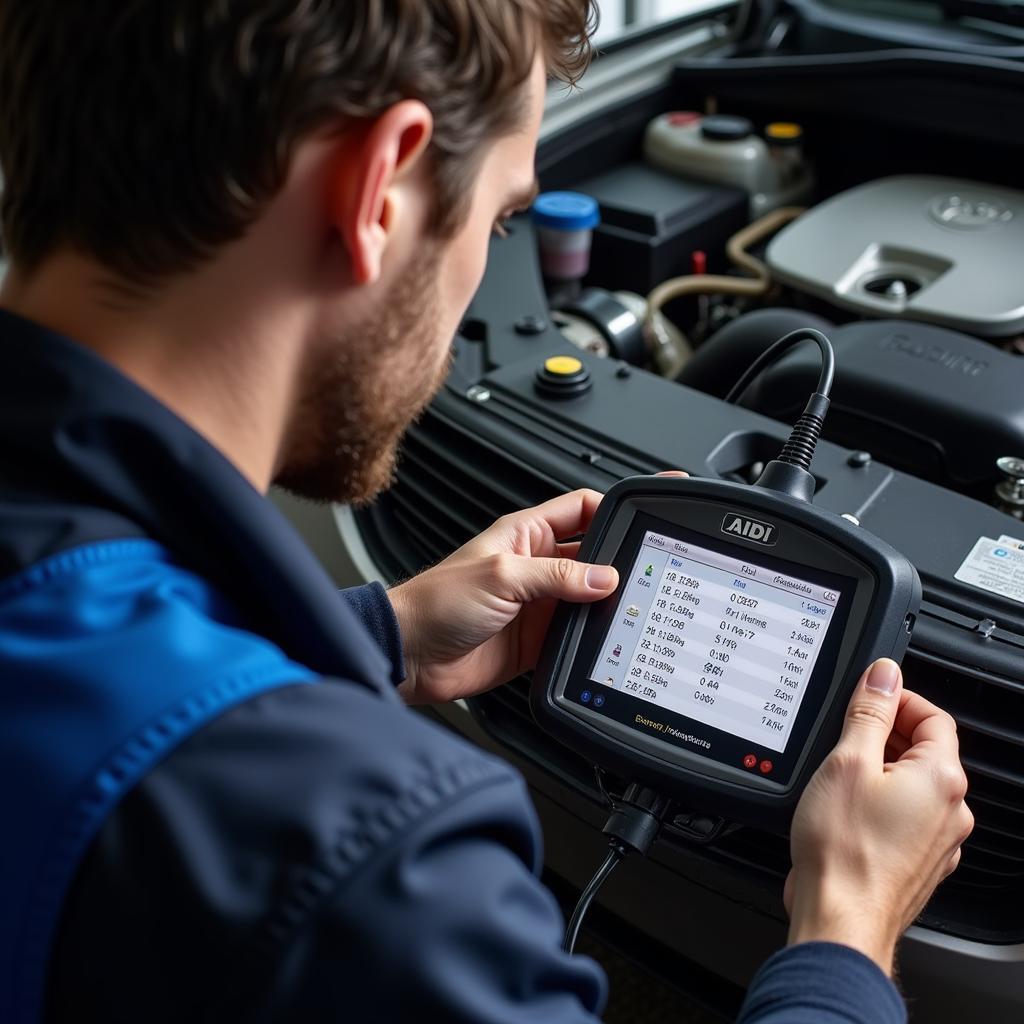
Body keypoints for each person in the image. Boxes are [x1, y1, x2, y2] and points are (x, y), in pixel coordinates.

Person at [0, 2, 973, 1022]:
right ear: (378, 184)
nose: (484, 271)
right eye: (502, 217)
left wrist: (380, 635)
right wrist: (845, 930)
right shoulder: (366, 858)